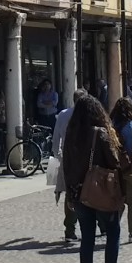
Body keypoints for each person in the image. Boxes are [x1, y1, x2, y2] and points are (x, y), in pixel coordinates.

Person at [60, 92, 128, 263]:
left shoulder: (71, 135)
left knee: (87, 238)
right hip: (102, 190)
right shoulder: (101, 134)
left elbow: (66, 166)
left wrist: (70, 193)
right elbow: (114, 162)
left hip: (80, 193)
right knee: (113, 232)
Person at [110, 97, 132, 243]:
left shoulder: (112, 126)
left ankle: (113, 230)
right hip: (131, 168)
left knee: (117, 201)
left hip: (116, 169)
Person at [51, 100, 76, 243]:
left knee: (70, 192)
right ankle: (100, 226)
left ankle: (70, 230)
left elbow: (56, 138)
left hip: (67, 157)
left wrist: (57, 155)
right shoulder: (89, 113)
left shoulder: (63, 114)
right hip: (82, 159)